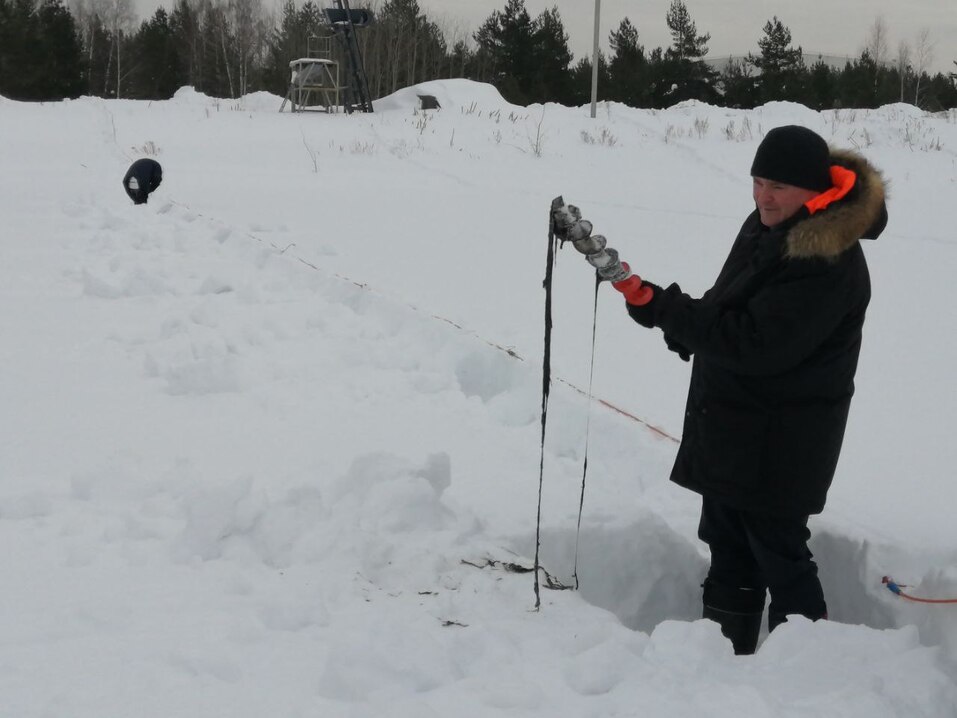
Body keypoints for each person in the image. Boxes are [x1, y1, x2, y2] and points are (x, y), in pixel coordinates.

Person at [555, 125, 888, 655]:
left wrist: (667, 311)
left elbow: (759, 345)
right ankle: (724, 662)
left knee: (779, 549)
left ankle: (811, 667)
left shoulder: (826, 258)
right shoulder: (766, 226)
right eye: (757, 181)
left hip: (784, 436)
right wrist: (665, 311)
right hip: (736, 424)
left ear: (813, 189)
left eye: (778, 186)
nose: (763, 196)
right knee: (729, 544)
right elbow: (727, 307)